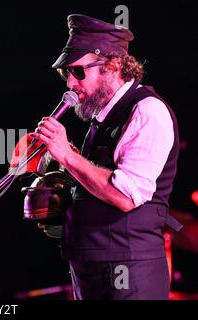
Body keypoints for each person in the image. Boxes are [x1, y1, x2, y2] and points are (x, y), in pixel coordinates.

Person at [30, 14, 183, 300]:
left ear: (112, 65)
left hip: (129, 276)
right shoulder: (103, 119)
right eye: (66, 74)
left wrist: (67, 156)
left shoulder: (147, 112)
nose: (70, 84)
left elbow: (126, 196)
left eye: (78, 71)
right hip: (93, 271)